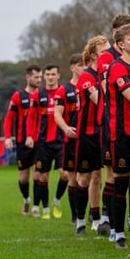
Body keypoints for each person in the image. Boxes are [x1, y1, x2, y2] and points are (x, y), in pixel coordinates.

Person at [98, 14, 130, 242]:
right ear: (117, 37)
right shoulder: (110, 62)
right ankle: (115, 227)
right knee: (115, 178)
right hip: (118, 131)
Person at [107, 24, 130, 250]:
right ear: (121, 44)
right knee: (120, 181)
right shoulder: (117, 67)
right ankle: (117, 231)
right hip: (121, 133)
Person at [74, 35, 111, 236]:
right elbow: (103, 100)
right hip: (87, 134)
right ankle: (80, 220)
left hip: (103, 132)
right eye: (105, 51)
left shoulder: (108, 72)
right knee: (84, 177)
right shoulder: (87, 77)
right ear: (95, 55)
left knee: (99, 175)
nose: (110, 54)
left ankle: (97, 218)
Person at [26, 63, 69, 219]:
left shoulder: (64, 92)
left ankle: (56, 201)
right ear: (44, 76)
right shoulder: (38, 95)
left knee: (65, 175)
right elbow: (31, 117)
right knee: (42, 176)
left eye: (53, 74)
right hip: (43, 143)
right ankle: (45, 209)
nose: (50, 77)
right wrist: (30, 135)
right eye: (48, 75)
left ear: (58, 76)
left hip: (61, 141)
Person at [3, 65, 42, 216]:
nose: (39, 80)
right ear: (28, 77)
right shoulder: (18, 96)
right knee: (24, 176)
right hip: (22, 142)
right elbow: (9, 119)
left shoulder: (43, 96)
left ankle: (36, 207)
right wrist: (7, 137)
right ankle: (26, 199)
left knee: (38, 174)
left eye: (40, 77)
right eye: (36, 77)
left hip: (40, 141)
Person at [54, 53, 83, 224]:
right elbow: (57, 114)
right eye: (80, 65)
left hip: (88, 139)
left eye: (85, 65)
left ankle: (94, 215)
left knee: (93, 176)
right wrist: (65, 128)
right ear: (72, 67)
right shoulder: (64, 90)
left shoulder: (90, 86)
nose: (83, 68)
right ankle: (75, 216)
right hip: (71, 141)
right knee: (72, 178)